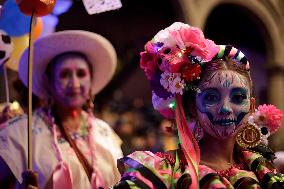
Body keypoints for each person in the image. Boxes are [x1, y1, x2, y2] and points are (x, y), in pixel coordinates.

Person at [113, 22, 284, 188]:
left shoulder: (263, 169)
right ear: (192, 107)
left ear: (251, 107)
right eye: (211, 97)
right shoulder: (163, 171)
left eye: (238, 97)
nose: (225, 108)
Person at [0, 30, 123, 188]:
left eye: (81, 74)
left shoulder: (104, 132)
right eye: (64, 74)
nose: (75, 84)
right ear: (49, 81)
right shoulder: (20, 135)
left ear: (91, 79)